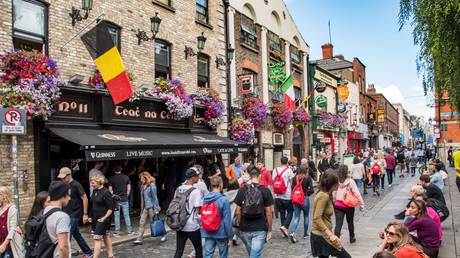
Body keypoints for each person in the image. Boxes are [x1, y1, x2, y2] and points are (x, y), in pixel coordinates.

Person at [234, 166, 273, 258]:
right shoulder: (265, 191)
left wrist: (240, 224)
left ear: (250, 176)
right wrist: (270, 229)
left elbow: (238, 211)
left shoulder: (242, 190)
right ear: (260, 176)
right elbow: (269, 212)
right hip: (260, 227)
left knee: (253, 253)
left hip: (246, 227)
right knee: (255, 254)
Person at [310, 172, 351, 258]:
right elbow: (317, 218)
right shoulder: (323, 196)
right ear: (332, 184)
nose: (339, 184)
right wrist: (330, 234)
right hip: (321, 235)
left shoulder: (324, 194)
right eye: (337, 182)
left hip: (320, 234)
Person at [57, 167, 93, 258]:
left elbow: (84, 198)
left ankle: (64, 255)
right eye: (61, 177)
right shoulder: (63, 185)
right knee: (76, 234)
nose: (62, 179)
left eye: (64, 177)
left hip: (75, 213)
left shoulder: (76, 185)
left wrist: (85, 214)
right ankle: (88, 252)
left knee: (66, 236)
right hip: (65, 213)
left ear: (69, 175)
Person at [173, 168, 203, 258]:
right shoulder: (195, 191)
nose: (199, 178)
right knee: (198, 250)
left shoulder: (178, 189)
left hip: (180, 224)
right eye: (197, 176)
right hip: (192, 226)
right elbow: (198, 210)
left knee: (179, 250)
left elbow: (175, 205)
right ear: (192, 178)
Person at [201, 177, 232, 258]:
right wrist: (230, 237)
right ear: (221, 185)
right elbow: (227, 220)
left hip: (208, 231)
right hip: (221, 233)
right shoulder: (224, 200)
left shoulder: (205, 199)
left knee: (208, 255)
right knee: (223, 255)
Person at [333, 165, 364, 244]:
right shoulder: (350, 181)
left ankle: (336, 241)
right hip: (349, 205)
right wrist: (362, 204)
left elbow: (333, 193)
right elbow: (357, 193)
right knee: (350, 222)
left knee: (338, 224)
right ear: (347, 171)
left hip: (338, 205)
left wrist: (333, 201)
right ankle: (352, 237)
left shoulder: (336, 181)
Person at [134, 171, 164, 244]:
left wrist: (156, 208)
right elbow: (142, 198)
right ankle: (139, 239)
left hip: (152, 207)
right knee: (142, 222)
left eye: (142, 178)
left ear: (146, 178)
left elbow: (155, 197)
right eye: (140, 179)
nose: (141, 180)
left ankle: (163, 234)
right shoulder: (142, 186)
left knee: (155, 222)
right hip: (145, 208)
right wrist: (141, 210)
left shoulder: (152, 185)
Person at [45, 181, 71, 258]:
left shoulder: (44, 211)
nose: (69, 198)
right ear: (62, 196)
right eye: (68, 195)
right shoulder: (62, 217)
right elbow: (63, 247)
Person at [90, 176, 115, 258]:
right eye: (91, 182)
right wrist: (90, 216)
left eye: (93, 183)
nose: (91, 184)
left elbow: (111, 208)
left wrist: (104, 218)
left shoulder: (106, 192)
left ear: (99, 183)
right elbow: (94, 204)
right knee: (106, 235)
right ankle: (110, 255)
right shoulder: (94, 190)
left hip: (103, 219)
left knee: (97, 238)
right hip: (95, 218)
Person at [289, 166, 314, 243]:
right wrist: (307, 194)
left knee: (296, 217)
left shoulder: (294, 178)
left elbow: (292, 188)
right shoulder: (308, 178)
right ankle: (305, 233)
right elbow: (311, 190)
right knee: (306, 216)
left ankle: (292, 232)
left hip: (296, 199)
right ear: (304, 172)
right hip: (304, 199)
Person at [272, 156, 295, 237]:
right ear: (287, 162)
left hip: (278, 195)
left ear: (280, 161)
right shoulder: (289, 170)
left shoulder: (275, 170)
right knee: (290, 211)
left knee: (282, 212)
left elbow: (273, 181)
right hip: (287, 194)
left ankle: (283, 232)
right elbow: (291, 182)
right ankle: (285, 226)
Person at [108, 165, 133, 237]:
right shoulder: (126, 177)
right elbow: (129, 189)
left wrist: (114, 196)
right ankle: (129, 232)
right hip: (125, 199)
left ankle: (117, 232)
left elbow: (110, 190)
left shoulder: (111, 179)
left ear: (114, 170)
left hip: (116, 200)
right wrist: (126, 195)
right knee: (126, 215)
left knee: (117, 216)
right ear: (121, 169)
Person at [0, 187, 20, 258]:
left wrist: (4, 244)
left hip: (9, 244)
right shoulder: (0, 208)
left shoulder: (12, 209)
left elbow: (12, 229)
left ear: (4, 196)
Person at [224, 179, 240, 247]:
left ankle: (228, 239)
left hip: (227, 214)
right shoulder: (238, 192)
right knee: (237, 227)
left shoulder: (224, 195)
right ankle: (234, 239)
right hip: (235, 213)